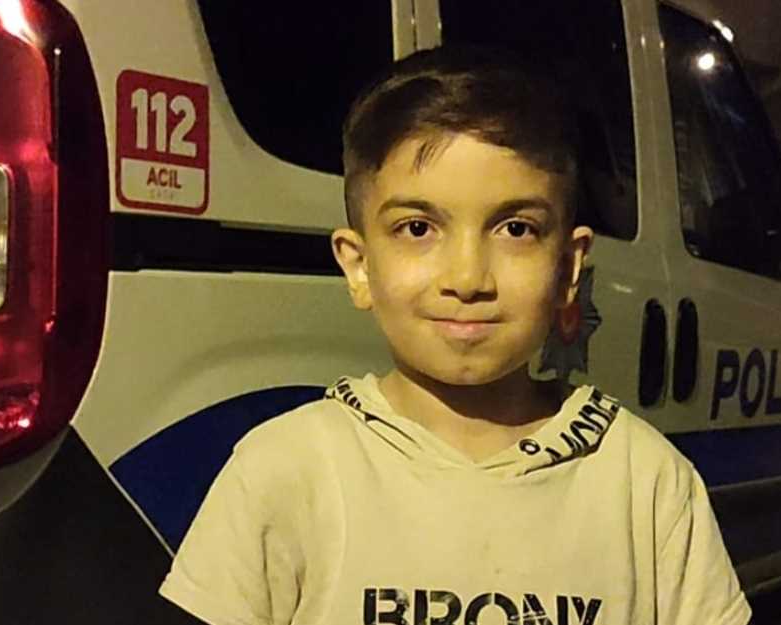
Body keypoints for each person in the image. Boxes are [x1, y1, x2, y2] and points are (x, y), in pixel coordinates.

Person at [159, 46, 751, 625]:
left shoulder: (645, 482)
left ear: (569, 268)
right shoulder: (284, 470)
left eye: (516, 229)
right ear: (358, 266)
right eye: (417, 228)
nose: (467, 279)